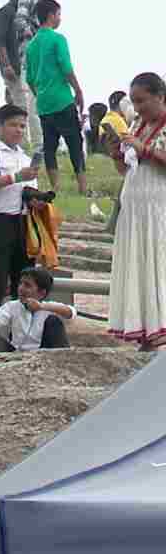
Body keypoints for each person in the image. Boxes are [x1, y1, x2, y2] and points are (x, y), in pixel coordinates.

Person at [106, 72, 166, 351]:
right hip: (134, 203)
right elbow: (126, 168)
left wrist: (143, 148)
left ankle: (159, 329)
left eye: (142, 101)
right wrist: (117, 152)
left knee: (157, 261)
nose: (138, 107)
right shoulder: (138, 122)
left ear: (159, 96)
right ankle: (146, 331)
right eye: (134, 101)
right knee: (138, 263)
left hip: (157, 204)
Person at [0, 104, 40, 337]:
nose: (19, 130)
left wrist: (36, 199)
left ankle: (21, 335)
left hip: (22, 222)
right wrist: (16, 177)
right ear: (0, 125)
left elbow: (29, 189)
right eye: (14, 125)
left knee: (23, 278)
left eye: (23, 126)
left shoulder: (24, 157)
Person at [25, 0, 87, 195]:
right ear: (51, 15)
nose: (60, 18)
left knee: (49, 147)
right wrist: (78, 90)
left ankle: (56, 187)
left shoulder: (31, 46)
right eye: (59, 14)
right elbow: (66, 68)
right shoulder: (58, 39)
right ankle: (83, 188)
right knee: (75, 143)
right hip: (62, 100)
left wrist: (40, 95)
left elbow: (29, 79)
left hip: (43, 104)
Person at [0, 266, 73, 352]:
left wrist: (41, 307)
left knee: (53, 321)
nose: (21, 288)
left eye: (27, 285)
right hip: (16, 355)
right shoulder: (12, 306)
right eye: (21, 283)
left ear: (42, 293)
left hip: (42, 355)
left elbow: (71, 313)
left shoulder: (49, 307)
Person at [0, 0, 37, 145]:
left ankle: (32, 144)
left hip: (27, 67)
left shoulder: (25, 14)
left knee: (32, 107)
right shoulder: (6, 12)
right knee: (21, 107)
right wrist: (7, 65)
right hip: (14, 67)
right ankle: (23, 145)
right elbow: (0, 41)